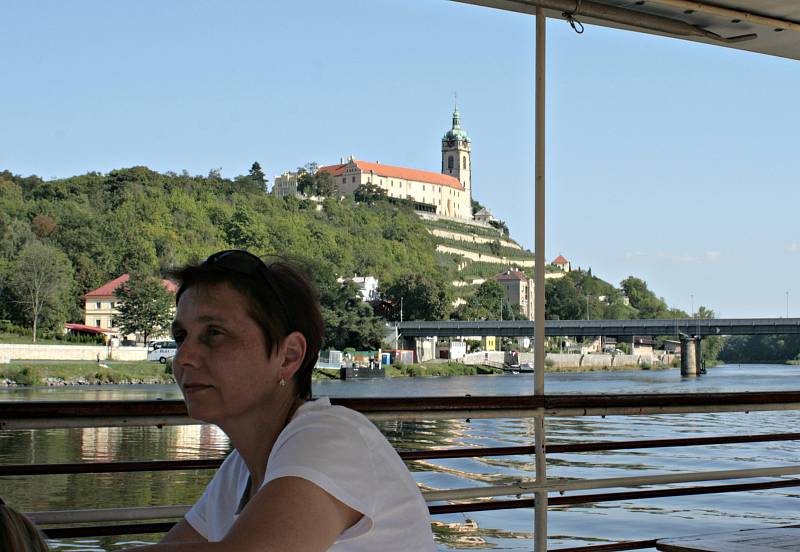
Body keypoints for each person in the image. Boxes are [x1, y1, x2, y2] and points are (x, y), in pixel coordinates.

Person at [130, 250, 435, 551]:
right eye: (181, 336)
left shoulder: (332, 438)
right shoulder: (239, 471)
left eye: (214, 333)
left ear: (289, 357)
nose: (184, 357)